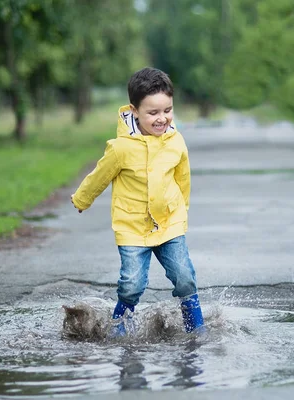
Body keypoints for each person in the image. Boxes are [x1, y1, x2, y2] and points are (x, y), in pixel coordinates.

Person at [70, 67, 205, 337]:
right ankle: (119, 330)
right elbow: (99, 176)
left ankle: (196, 328)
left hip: (169, 222)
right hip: (132, 226)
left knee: (184, 276)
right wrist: (82, 199)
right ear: (134, 111)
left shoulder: (176, 141)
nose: (162, 118)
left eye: (167, 110)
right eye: (152, 113)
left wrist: (182, 211)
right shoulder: (121, 148)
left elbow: (183, 177)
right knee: (132, 284)